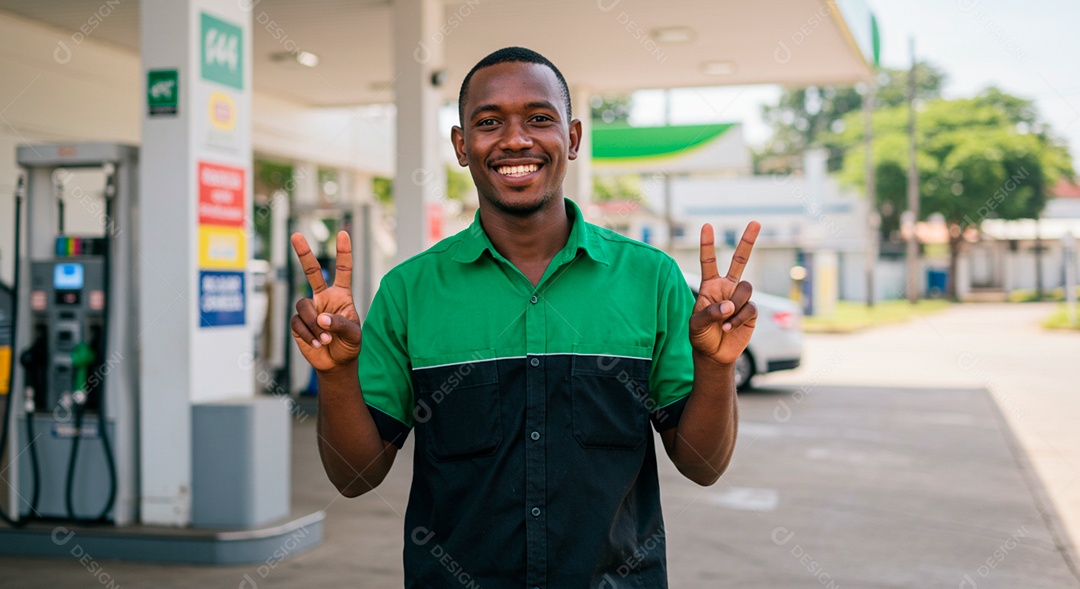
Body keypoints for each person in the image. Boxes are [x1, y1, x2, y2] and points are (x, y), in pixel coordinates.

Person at [289, 46, 760, 589]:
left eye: (540, 118)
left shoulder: (650, 279)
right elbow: (353, 479)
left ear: (575, 138)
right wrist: (336, 375)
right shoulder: (409, 291)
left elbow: (703, 465)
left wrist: (717, 368)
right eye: (489, 123)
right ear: (462, 146)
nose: (516, 140)